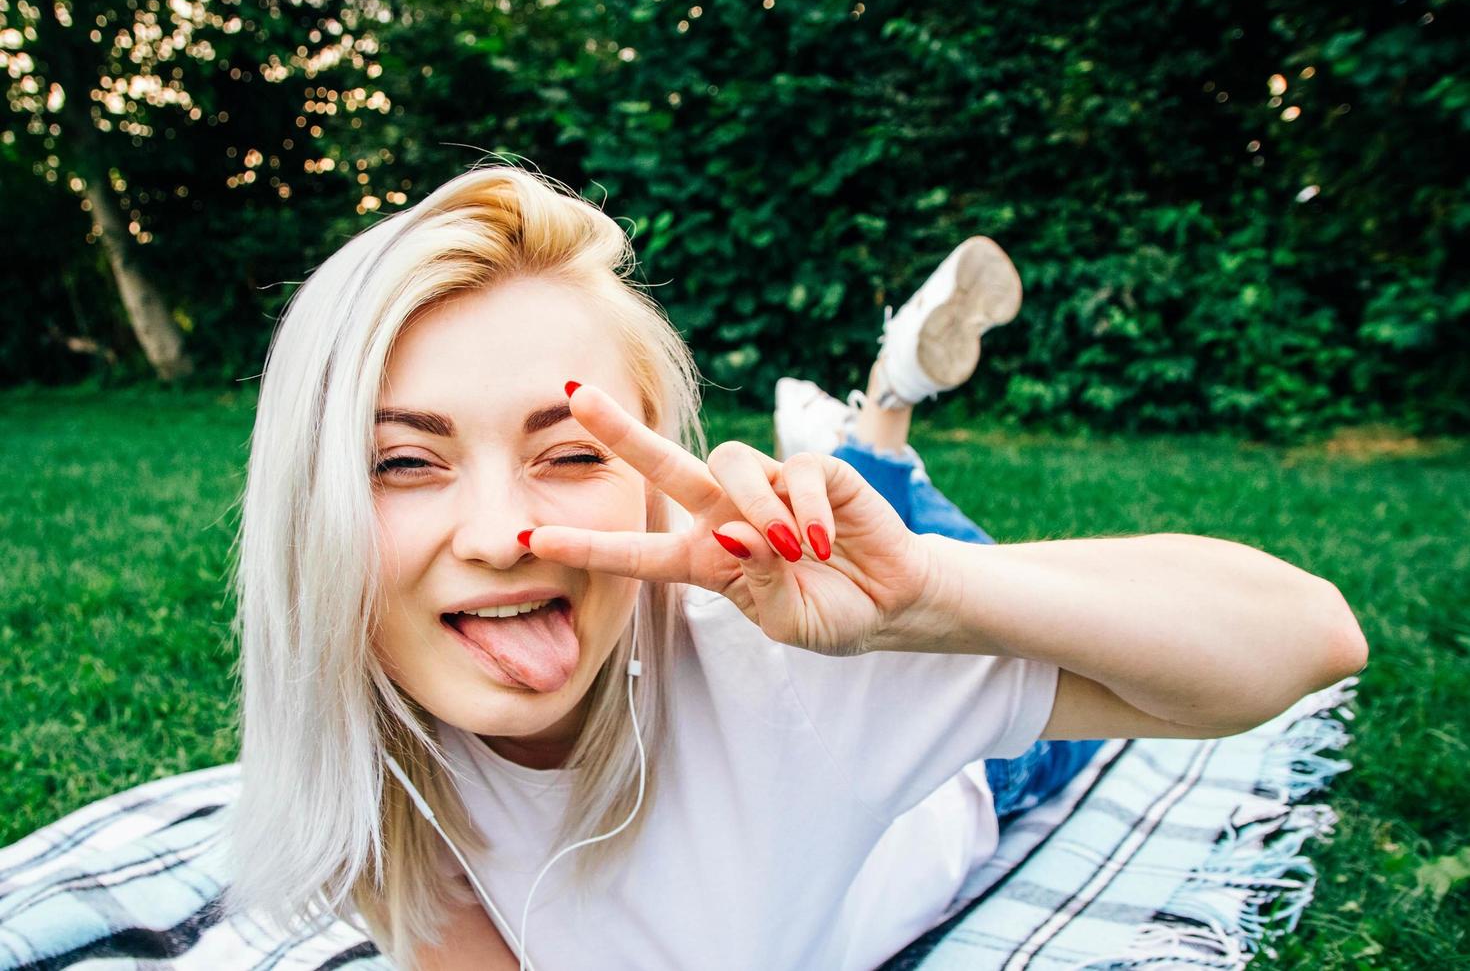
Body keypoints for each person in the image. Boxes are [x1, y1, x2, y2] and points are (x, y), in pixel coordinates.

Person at [224, 165, 1367, 971]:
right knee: (871, 522)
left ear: (647, 473)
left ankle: (879, 428)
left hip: (961, 781)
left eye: (570, 451)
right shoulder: (357, 734)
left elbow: (1311, 637)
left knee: (923, 549)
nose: (493, 531)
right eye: (403, 461)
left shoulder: (791, 667)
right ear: (307, 506)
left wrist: (927, 601)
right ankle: (865, 435)